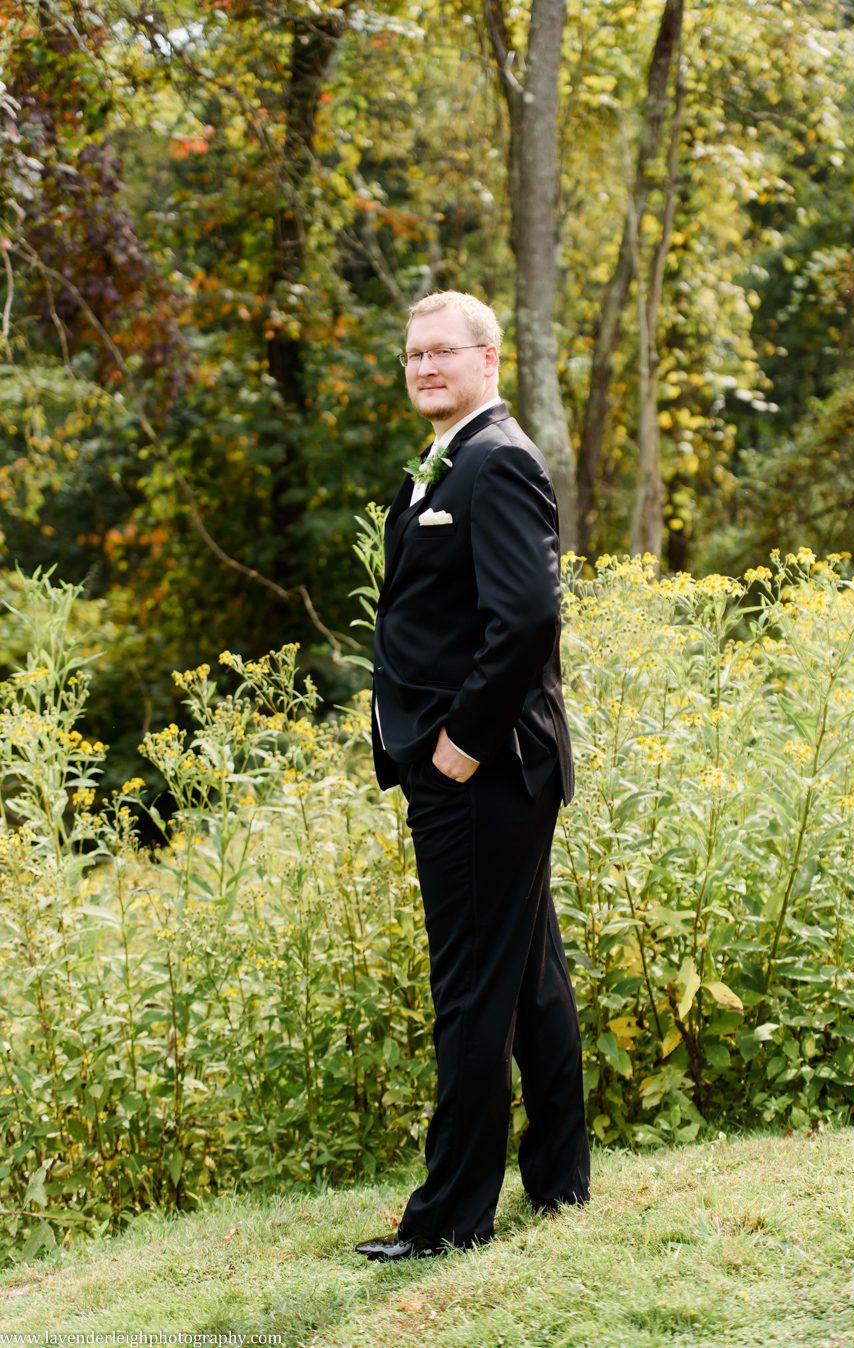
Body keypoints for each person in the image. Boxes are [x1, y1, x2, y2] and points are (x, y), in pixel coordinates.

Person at [355, 290, 590, 1261]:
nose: (421, 368)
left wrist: (460, 741)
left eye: (439, 353)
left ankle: (452, 1213)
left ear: (489, 360)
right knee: (527, 973)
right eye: (411, 355)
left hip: (482, 772)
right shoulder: (442, 462)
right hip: (461, 767)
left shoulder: (497, 463)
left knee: (471, 990)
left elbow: (528, 616)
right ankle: (560, 1175)